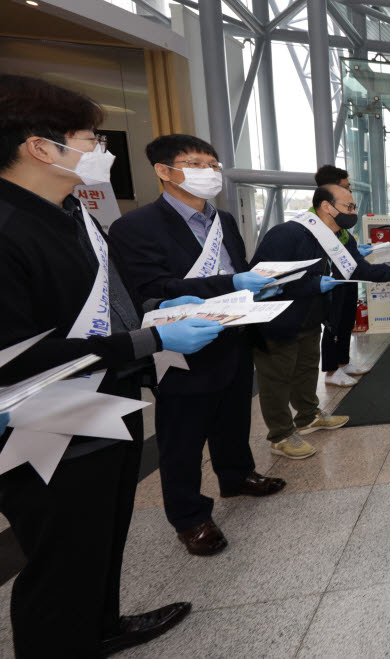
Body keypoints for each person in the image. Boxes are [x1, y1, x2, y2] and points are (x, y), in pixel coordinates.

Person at [0, 74, 230, 656]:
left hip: (106, 402)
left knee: (101, 537)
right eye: (90, 138)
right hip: (45, 424)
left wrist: (155, 309)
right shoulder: (7, 228)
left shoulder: (73, 212)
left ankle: (101, 623)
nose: (102, 151)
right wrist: (148, 340)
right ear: (40, 146)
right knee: (60, 558)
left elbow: (111, 301)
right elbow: (14, 358)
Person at [109, 134, 287, 557]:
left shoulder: (222, 221)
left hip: (233, 335)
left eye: (212, 163)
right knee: (182, 436)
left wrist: (250, 291)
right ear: (165, 171)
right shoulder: (135, 227)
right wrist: (231, 284)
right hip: (180, 344)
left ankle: (237, 475)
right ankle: (189, 516)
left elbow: (236, 268)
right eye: (195, 163)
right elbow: (151, 288)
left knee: (232, 415)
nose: (208, 172)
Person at [252, 182, 390, 459]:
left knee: (306, 369)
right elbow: (261, 282)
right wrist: (313, 285)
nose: (352, 212)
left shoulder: (338, 237)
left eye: (353, 207)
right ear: (326, 206)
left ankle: (308, 416)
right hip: (278, 321)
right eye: (348, 206)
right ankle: (281, 435)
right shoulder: (287, 234)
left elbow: (357, 268)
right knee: (276, 379)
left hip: (311, 318)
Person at [314, 165, 375, 388]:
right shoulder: (313, 221)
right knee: (333, 323)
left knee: (347, 318)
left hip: (347, 276)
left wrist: (357, 251)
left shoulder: (341, 222)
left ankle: (343, 362)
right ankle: (331, 370)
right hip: (329, 281)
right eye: (346, 188)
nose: (350, 192)